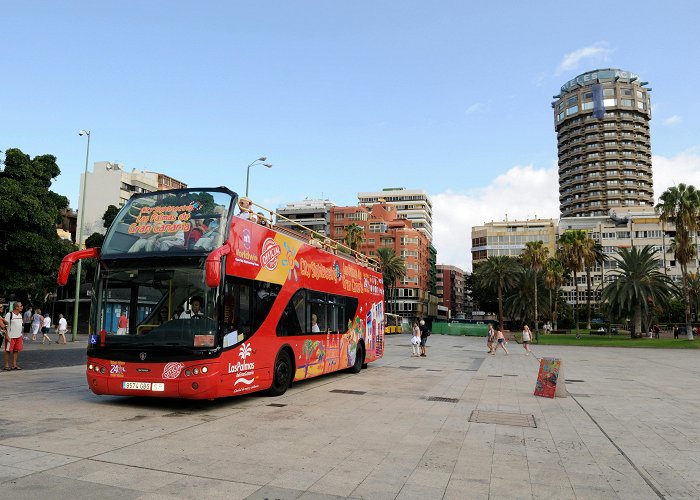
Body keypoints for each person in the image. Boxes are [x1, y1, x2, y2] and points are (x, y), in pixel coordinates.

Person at [4, 301, 24, 370]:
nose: (22, 307)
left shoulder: (20, 315)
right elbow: (5, 326)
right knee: (8, 351)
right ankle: (6, 366)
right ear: (16, 307)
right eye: (21, 306)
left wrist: (21, 335)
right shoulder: (9, 314)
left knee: (16, 351)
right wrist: (7, 335)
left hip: (18, 336)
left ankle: (14, 365)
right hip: (11, 336)